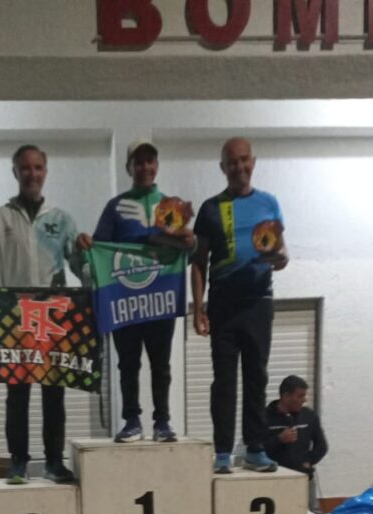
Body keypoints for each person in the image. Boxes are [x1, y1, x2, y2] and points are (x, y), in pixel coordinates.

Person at [0, 144, 84, 484]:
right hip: (16, 316)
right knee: (17, 393)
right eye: (25, 168)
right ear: (15, 173)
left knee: (54, 393)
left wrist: (91, 260)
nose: (32, 174)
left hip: (53, 317)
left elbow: (80, 265)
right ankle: (19, 462)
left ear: (46, 172)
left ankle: (54, 462)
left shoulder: (62, 220)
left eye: (38, 168)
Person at [78, 140, 195, 443]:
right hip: (124, 300)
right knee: (127, 363)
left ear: (157, 166)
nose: (144, 168)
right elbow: (99, 250)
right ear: (129, 168)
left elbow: (187, 253)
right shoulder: (115, 207)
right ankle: (132, 420)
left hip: (160, 298)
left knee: (161, 364)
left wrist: (187, 241)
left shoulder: (171, 205)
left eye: (149, 161)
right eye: (138, 162)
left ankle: (162, 422)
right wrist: (86, 248)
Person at [191, 137, 289, 473]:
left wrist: (277, 257)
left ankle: (255, 448)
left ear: (253, 162)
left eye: (244, 159)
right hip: (223, 304)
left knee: (256, 376)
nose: (239, 167)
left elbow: (282, 256)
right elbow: (198, 263)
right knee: (224, 380)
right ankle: (222, 452)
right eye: (232, 162)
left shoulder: (269, 203)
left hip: (258, 302)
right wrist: (198, 308)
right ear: (223, 167)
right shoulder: (210, 208)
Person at [264, 375, 328, 478]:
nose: (304, 400)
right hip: (275, 477)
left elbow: (321, 446)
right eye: (300, 396)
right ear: (286, 396)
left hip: (302, 476)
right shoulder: (265, 417)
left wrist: (308, 461)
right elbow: (258, 449)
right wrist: (279, 439)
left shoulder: (308, 416)